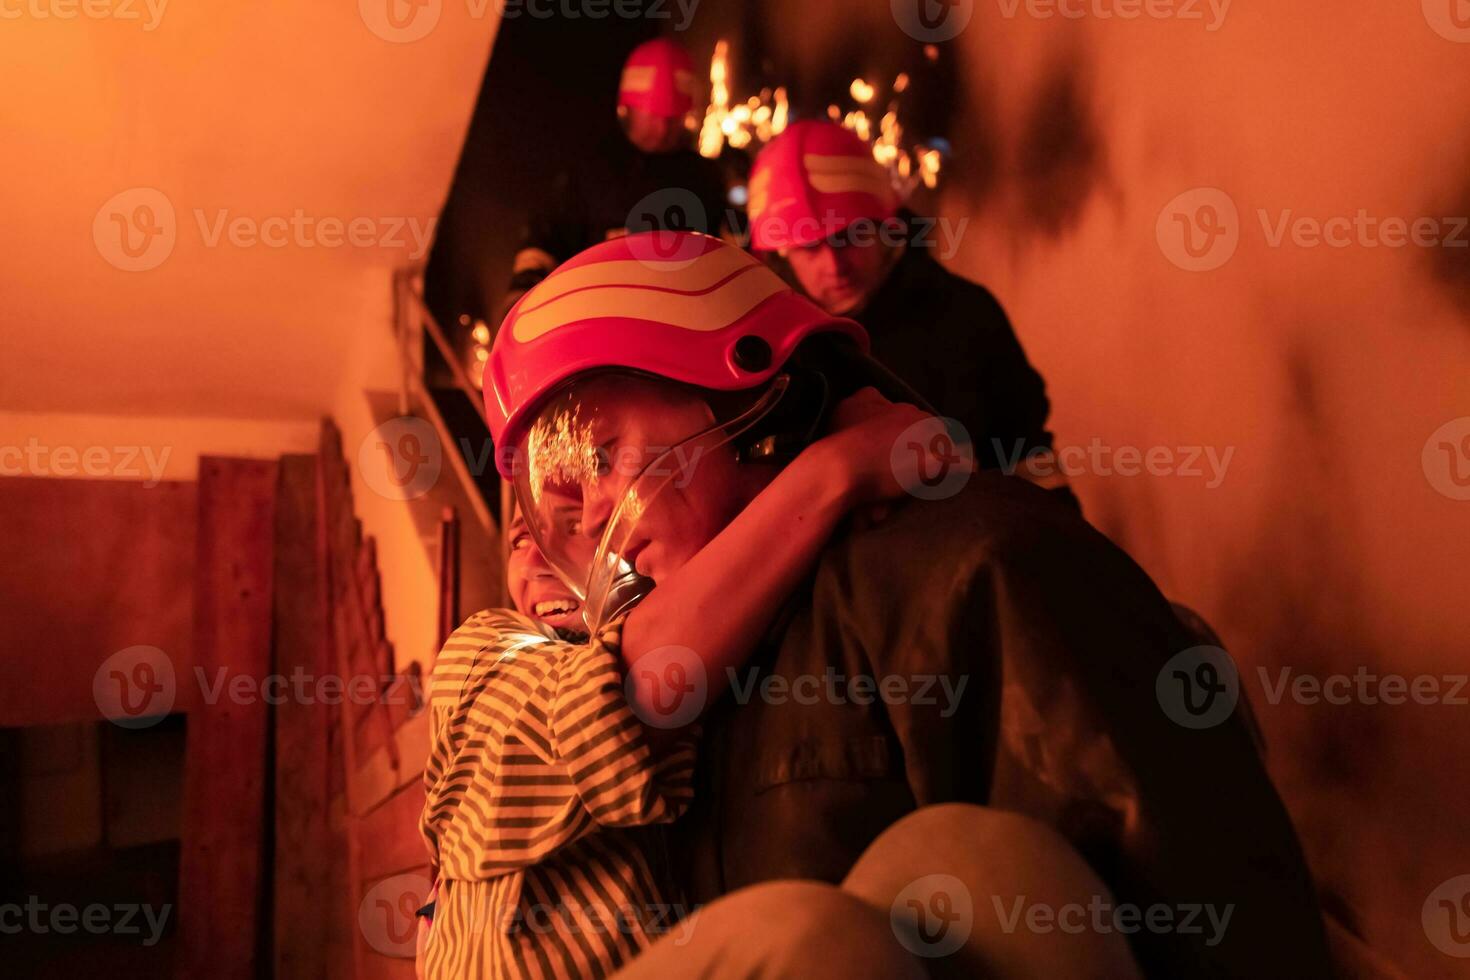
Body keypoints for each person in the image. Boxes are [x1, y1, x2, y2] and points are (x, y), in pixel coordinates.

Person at [485, 231, 1333, 977]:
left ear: (752, 397)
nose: (593, 517)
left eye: (601, 456)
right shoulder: (674, 663)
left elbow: (1211, 912)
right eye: (561, 510)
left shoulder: (974, 567)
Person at [418, 374, 973, 977]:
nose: (536, 557)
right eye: (522, 538)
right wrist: (836, 469)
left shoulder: (718, 631)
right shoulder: (481, 651)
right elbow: (615, 705)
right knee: (812, 936)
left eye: (578, 526)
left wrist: (806, 442)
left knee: (961, 861)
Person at [748, 120, 1055, 474]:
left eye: (849, 236)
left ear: (885, 226)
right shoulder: (770, 354)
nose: (834, 266)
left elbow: (1029, 459)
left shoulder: (967, 317)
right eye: (809, 248)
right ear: (781, 254)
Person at [502, 38, 730, 319]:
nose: (662, 128)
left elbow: (729, 257)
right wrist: (522, 297)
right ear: (629, 109)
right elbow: (546, 238)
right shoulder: (591, 172)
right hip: (600, 323)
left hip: (686, 323)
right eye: (654, 116)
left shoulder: (704, 178)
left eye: (672, 119)